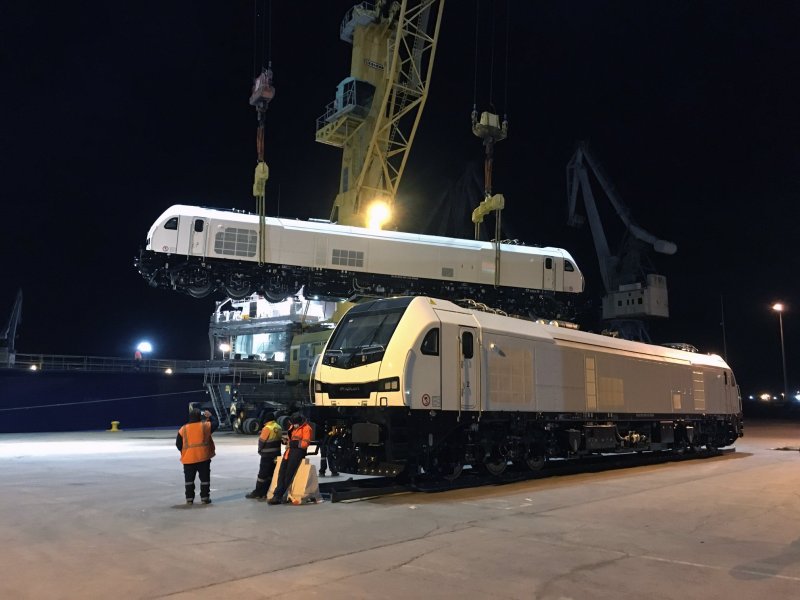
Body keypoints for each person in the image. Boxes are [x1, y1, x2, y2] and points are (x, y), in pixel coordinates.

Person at [176, 406, 218, 505]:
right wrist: (211, 416)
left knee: (189, 481)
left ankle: (189, 499)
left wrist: (187, 451)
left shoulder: (183, 429)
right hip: (203, 457)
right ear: (199, 416)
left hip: (188, 459)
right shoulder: (204, 426)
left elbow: (178, 445)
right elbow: (216, 424)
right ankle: (205, 498)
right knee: (204, 480)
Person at [268, 413, 312, 504]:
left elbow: (305, 444)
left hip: (298, 452)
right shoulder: (292, 426)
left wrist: (292, 443)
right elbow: (290, 439)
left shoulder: (307, 428)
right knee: (281, 473)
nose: (293, 425)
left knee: (289, 474)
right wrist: (286, 441)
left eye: (295, 424)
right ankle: (277, 494)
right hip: (289, 452)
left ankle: (279, 495)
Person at [245, 412, 282, 499]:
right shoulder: (278, 427)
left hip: (267, 455)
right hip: (276, 454)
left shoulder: (267, 428)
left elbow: (262, 441)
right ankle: (265, 492)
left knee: (262, 475)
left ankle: (258, 492)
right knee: (270, 474)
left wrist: (260, 450)